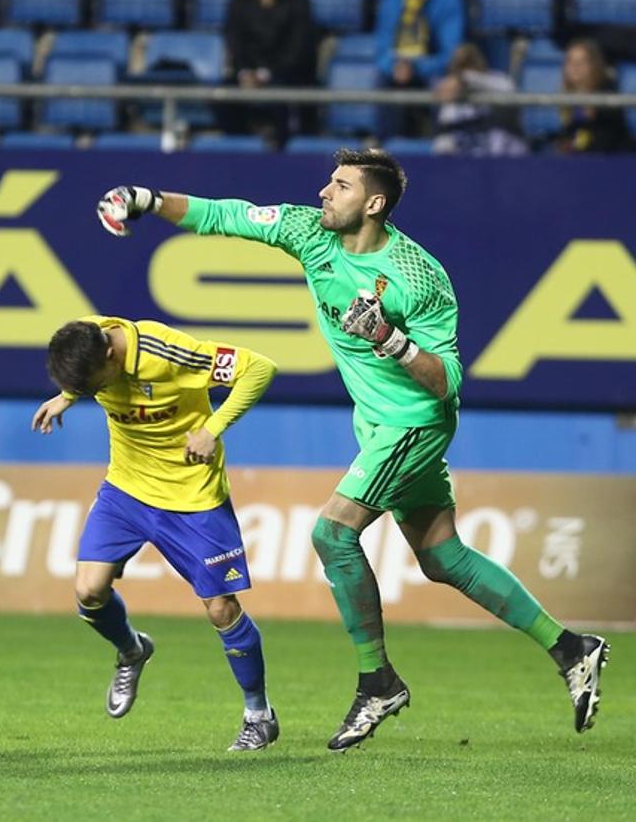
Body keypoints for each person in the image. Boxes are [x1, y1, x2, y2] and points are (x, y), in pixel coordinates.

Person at [95, 149, 609, 752]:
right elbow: (224, 215)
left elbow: (447, 381)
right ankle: (572, 647)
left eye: (339, 186)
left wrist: (389, 339)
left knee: (332, 534)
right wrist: (147, 200)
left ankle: (377, 681)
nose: (323, 193)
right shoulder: (309, 233)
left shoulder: (419, 275)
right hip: (377, 426)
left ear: (373, 203)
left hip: (415, 423)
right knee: (442, 558)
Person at [31, 315, 280, 751]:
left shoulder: (167, 353)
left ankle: (258, 713)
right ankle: (132, 650)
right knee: (89, 591)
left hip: (192, 495)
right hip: (126, 489)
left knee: (221, 609)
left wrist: (212, 429)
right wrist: (68, 396)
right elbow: (84, 373)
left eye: (93, 386)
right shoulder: (87, 337)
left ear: (111, 354)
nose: (94, 394)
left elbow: (259, 368)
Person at [222, 0, 317, 141]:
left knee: (287, 98)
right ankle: (239, 145)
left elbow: (296, 51)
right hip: (247, 76)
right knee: (220, 97)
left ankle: (279, 148)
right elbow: (235, 44)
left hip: (285, 77)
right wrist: (245, 72)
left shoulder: (299, 4)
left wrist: (265, 75)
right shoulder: (238, 4)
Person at [374, 0, 465, 90]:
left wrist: (416, 67)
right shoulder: (389, 3)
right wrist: (394, 66)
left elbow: (451, 53)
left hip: (433, 71)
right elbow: (381, 50)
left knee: (445, 84)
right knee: (378, 79)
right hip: (397, 71)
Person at [431, 43, 527, 157]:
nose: (468, 69)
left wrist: (465, 79)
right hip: (469, 165)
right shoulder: (452, 103)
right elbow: (443, 142)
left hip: (506, 160)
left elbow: (509, 89)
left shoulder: (497, 81)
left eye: (470, 62)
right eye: (461, 66)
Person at [551, 38, 633, 155]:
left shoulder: (608, 96)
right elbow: (571, 138)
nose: (575, 67)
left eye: (581, 62)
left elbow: (605, 140)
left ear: (594, 65)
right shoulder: (566, 98)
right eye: (570, 61)